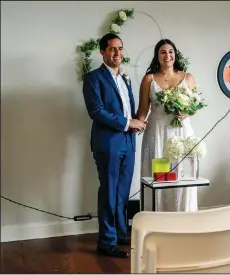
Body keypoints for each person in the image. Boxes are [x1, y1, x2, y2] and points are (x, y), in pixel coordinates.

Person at [82, 33, 146, 258]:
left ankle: (120, 233)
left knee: (122, 192)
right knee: (109, 192)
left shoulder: (125, 78)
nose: (117, 53)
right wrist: (129, 123)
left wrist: (139, 121)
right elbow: (97, 111)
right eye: (112, 49)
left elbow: (128, 108)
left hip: (128, 142)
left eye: (120, 48)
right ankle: (106, 241)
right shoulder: (93, 78)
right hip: (108, 143)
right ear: (102, 52)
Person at [136, 39, 198, 212]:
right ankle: (156, 220)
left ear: (175, 54)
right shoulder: (149, 79)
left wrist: (188, 112)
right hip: (157, 132)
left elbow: (195, 108)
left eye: (170, 51)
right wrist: (134, 125)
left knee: (182, 175)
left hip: (182, 132)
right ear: (157, 56)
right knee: (158, 176)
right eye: (162, 52)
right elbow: (143, 109)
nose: (167, 55)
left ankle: (183, 219)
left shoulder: (188, 77)